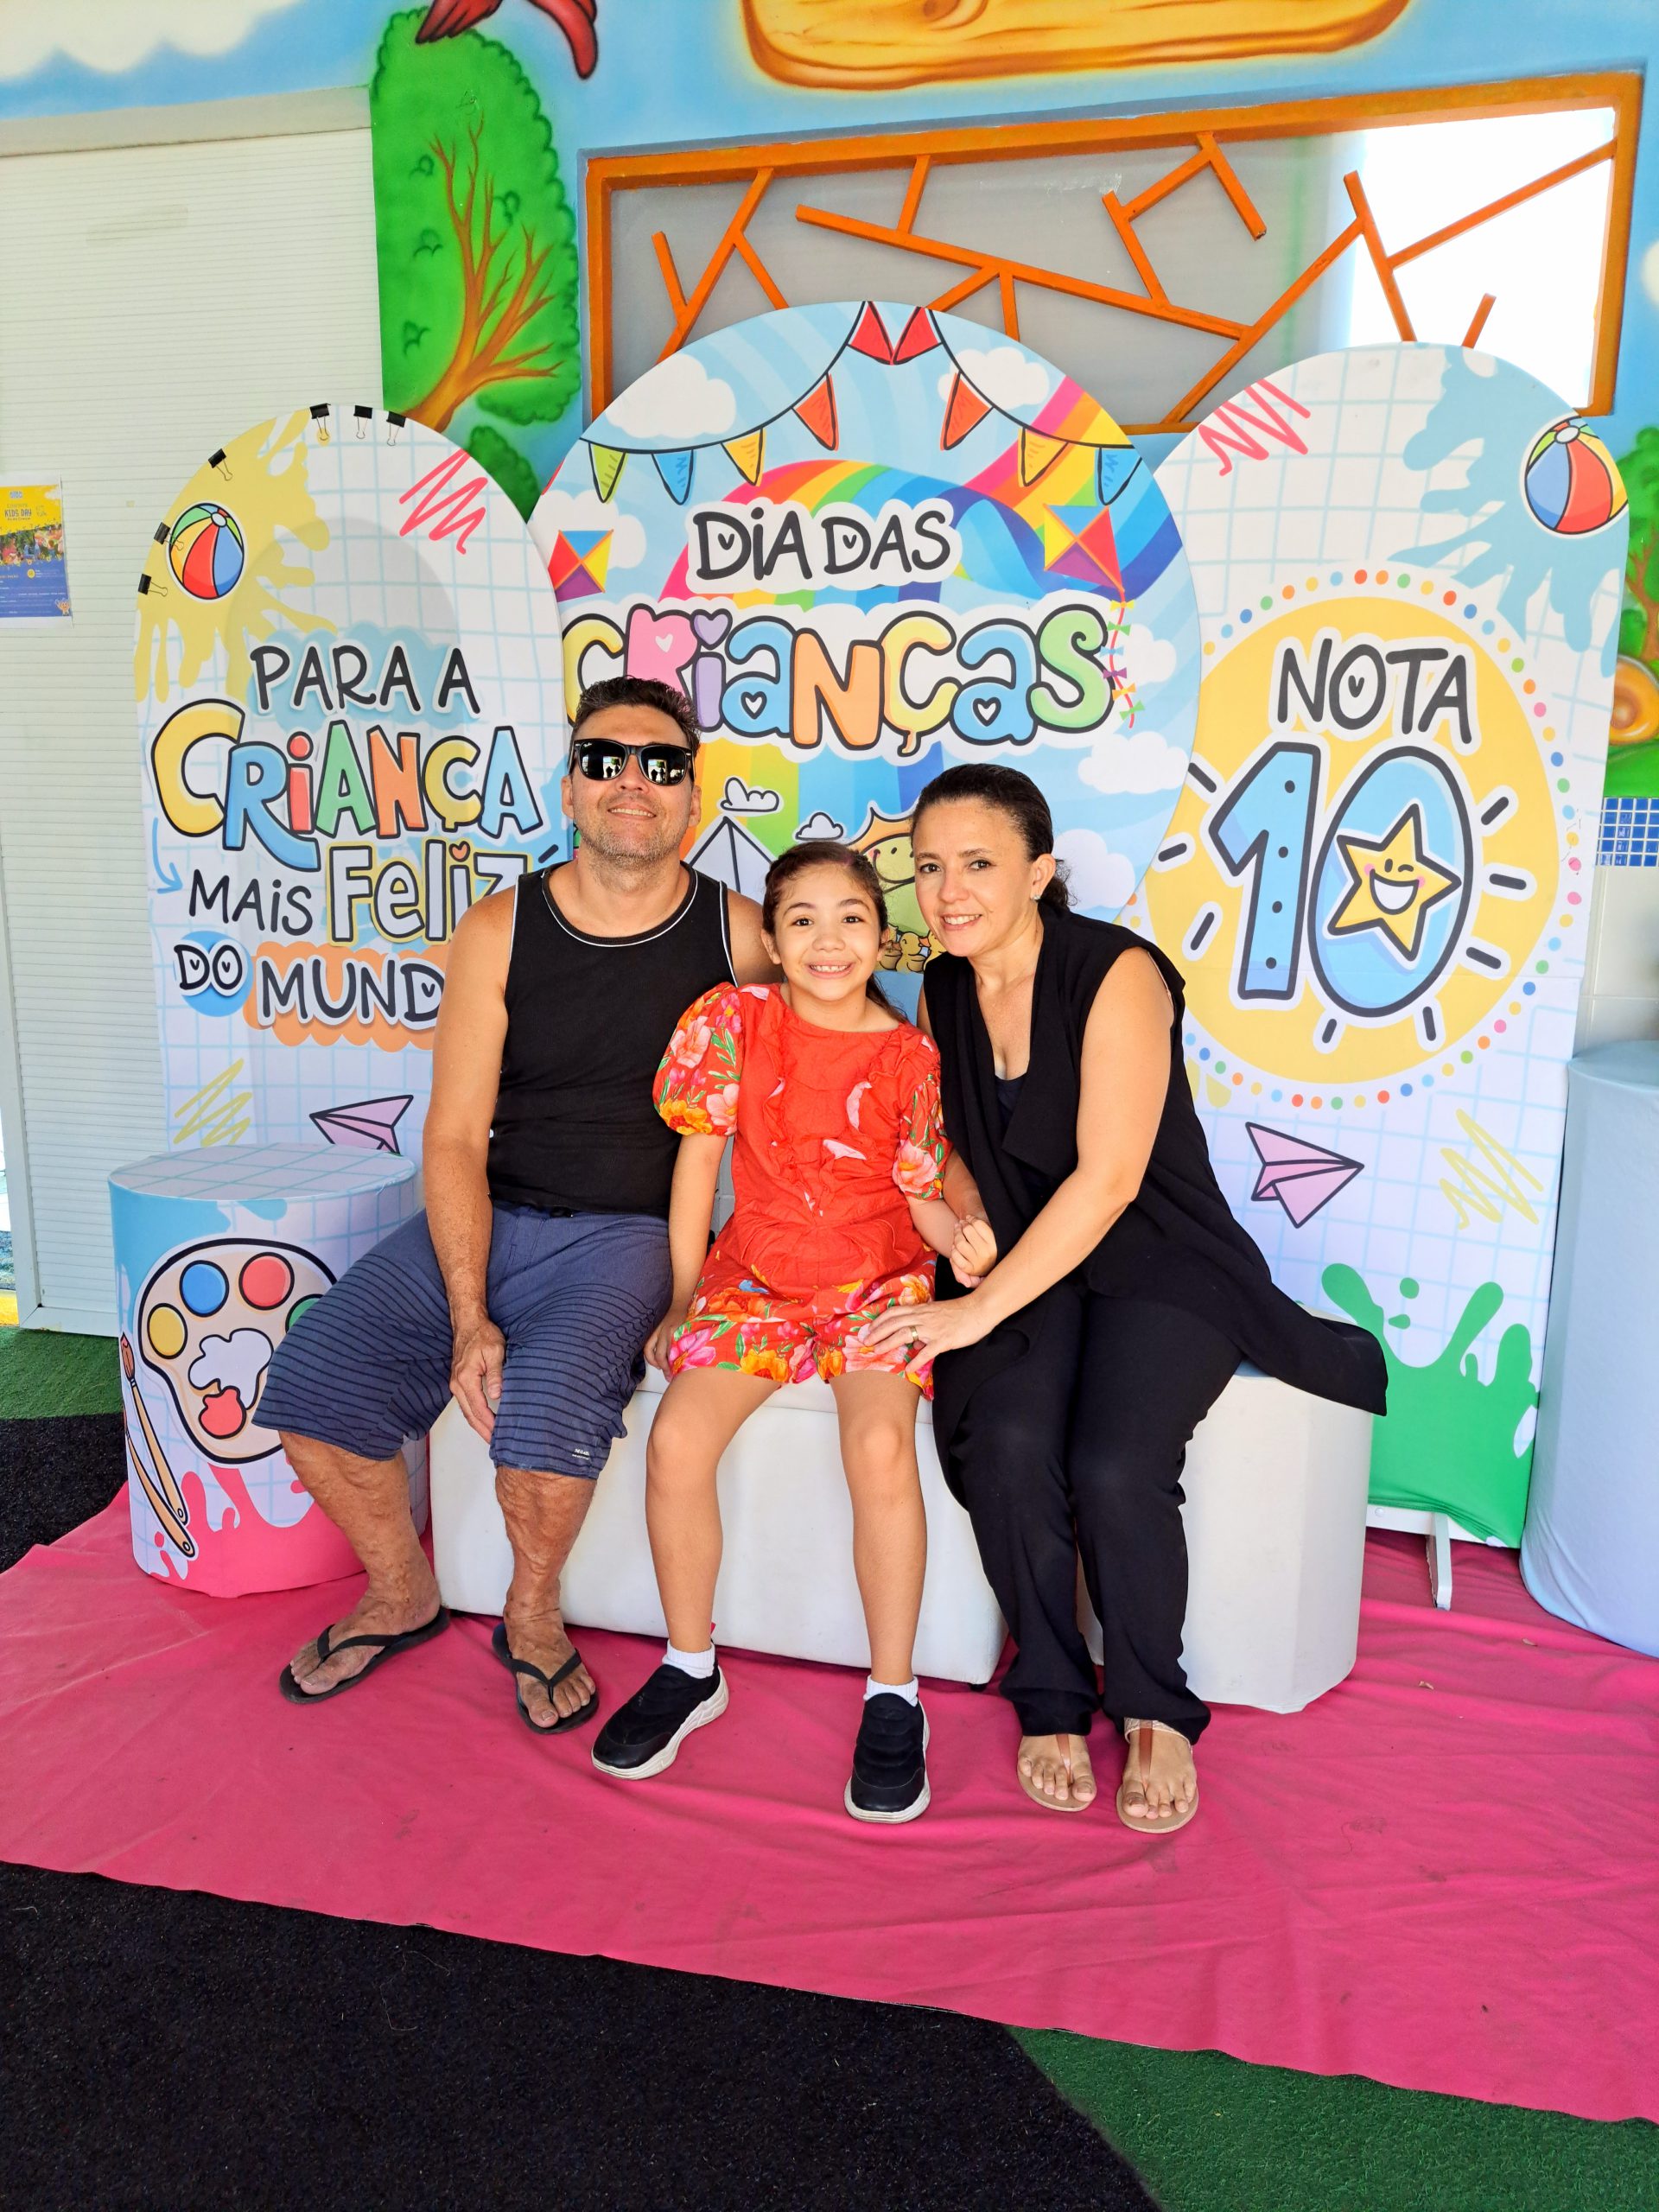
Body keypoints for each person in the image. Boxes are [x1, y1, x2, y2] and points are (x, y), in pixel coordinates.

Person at [862, 766, 1386, 1835]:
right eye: (929, 866)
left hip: (1157, 1255)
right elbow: (948, 1141)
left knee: (1113, 1461)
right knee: (1007, 1440)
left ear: (1039, 872)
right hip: (1025, 1255)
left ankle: (1154, 1707)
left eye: (978, 864)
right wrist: (967, 1217)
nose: (948, 891)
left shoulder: (1117, 972)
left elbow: (1107, 1182)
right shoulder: (943, 986)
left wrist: (974, 1312)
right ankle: (1050, 1691)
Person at [259, 676, 775, 1731]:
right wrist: (468, 1312)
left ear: (694, 793)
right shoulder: (501, 927)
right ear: (569, 784)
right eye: (604, 760)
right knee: (309, 1392)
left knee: (543, 1434)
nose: (632, 781)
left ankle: (531, 1615)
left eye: (661, 764)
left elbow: (842, 1057)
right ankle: (401, 1590)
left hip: (631, 1233)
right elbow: (452, 1136)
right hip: (492, 1215)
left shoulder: (743, 933)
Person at [589, 845, 989, 1822]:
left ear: (881, 938)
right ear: (771, 937)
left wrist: (965, 1242)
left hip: (876, 1279)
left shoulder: (908, 1056)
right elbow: (697, 1170)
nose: (827, 940)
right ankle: (691, 1666)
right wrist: (684, 1297)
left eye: (851, 917)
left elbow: (922, 1194)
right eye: (802, 919)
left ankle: (893, 1693)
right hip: (757, 1279)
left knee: (879, 1444)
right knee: (676, 1439)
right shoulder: (736, 1021)